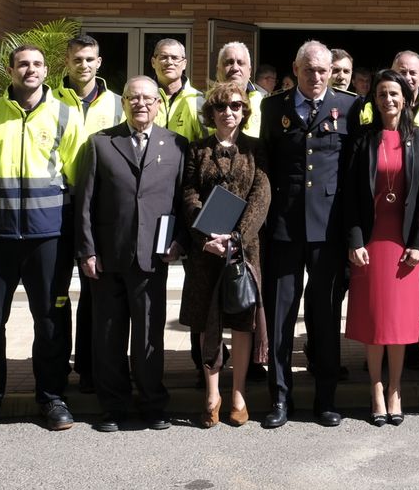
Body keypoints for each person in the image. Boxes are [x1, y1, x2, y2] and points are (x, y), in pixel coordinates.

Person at [0, 45, 84, 434]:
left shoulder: (66, 115)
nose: (29, 70)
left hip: (48, 236)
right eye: (22, 64)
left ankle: (51, 397)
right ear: (10, 70)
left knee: (49, 321)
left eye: (36, 64)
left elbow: (74, 174)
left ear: (46, 70)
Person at [74, 76, 188, 432]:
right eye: (133, 98)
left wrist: (179, 241)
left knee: (149, 337)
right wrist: (87, 251)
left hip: (153, 257)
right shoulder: (100, 143)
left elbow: (184, 202)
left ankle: (153, 403)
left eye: (148, 99)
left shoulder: (176, 145)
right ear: (123, 103)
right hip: (108, 257)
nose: (141, 104)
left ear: (158, 104)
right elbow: (84, 203)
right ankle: (114, 406)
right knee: (108, 337)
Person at [257, 40, 355, 428]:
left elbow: (349, 172)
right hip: (284, 226)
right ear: (295, 69)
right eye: (309, 70)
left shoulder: (349, 107)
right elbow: (264, 164)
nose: (316, 77)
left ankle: (326, 399)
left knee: (326, 315)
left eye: (323, 70)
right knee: (281, 315)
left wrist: (352, 232)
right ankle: (279, 398)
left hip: (328, 228)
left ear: (331, 72)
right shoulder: (272, 107)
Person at [180, 80, 272, 428]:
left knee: (241, 321)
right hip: (206, 250)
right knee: (207, 321)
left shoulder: (256, 149)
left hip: (243, 251)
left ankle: (238, 394)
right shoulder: (197, 149)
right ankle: (212, 394)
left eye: (236, 106)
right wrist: (205, 234)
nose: (228, 112)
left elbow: (261, 196)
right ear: (211, 112)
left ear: (244, 111)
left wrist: (235, 238)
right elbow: (189, 194)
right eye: (221, 107)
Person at [345, 70, 419, 426]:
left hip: (403, 242)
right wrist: (354, 241)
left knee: (398, 323)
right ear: (375, 100)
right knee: (374, 321)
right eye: (382, 94)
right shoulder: (362, 139)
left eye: (394, 93)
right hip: (371, 241)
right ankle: (376, 390)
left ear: (406, 97)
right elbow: (350, 195)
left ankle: (395, 389)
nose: (388, 100)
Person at [53, 34, 125, 395]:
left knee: (95, 291)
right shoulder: (50, 102)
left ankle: (90, 366)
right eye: (77, 60)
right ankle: (55, 367)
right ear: (67, 63)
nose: (83, 65)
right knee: (55, 292)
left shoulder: (117, 105)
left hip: (100, 209)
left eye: (89, 59)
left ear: (100, 63)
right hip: (57, 206)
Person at [153, 39, 205, 141]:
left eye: (175, 58)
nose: (169, 62)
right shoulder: (143, 99)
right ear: (153, 62)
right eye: (163, 57)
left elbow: (208, 143)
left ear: (184, 64)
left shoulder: (199, 100)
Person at [215, 41, 267, 138]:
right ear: (218, 70)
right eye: (229, 62)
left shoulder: (264, 104)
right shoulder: (204, 104)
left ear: (250, 71)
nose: (235, 68)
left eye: (240, 63)